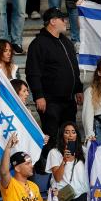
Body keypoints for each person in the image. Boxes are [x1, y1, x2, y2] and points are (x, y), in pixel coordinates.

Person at [26, 7, 82, 142]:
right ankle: (48, 163)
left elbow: (74, 68)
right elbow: (33, 72)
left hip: (69, 101)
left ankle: (69, 162)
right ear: (52, 21)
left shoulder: (66, 41)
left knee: (70, 138)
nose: (66, 22)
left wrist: (78, 89)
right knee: (51, 137)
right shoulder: (38, 44)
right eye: (62, 19)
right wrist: (38, 96)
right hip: (50, 102)